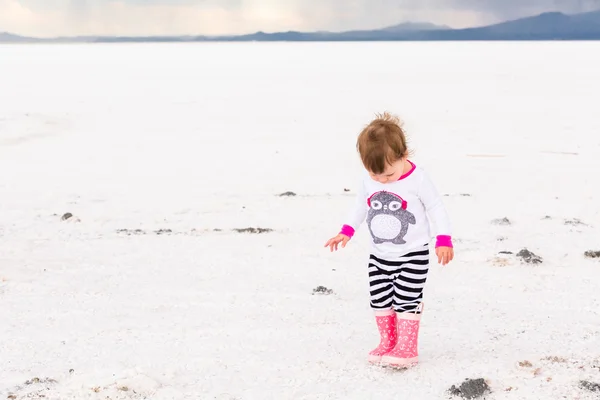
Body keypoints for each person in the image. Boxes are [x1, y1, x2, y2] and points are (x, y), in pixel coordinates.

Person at [324, 112, 454, 368]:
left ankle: (407, 348)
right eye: (375, 176)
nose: (382, 180)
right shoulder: (368, 179)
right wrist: (346, 231)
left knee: (406, 297)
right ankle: (388, 341)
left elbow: (436, 207)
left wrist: (444, 239)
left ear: (403, 155)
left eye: (388, 175)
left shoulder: (418, 179)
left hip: (413, 253)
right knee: (380, 297)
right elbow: (361, 206)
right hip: (379, 254)